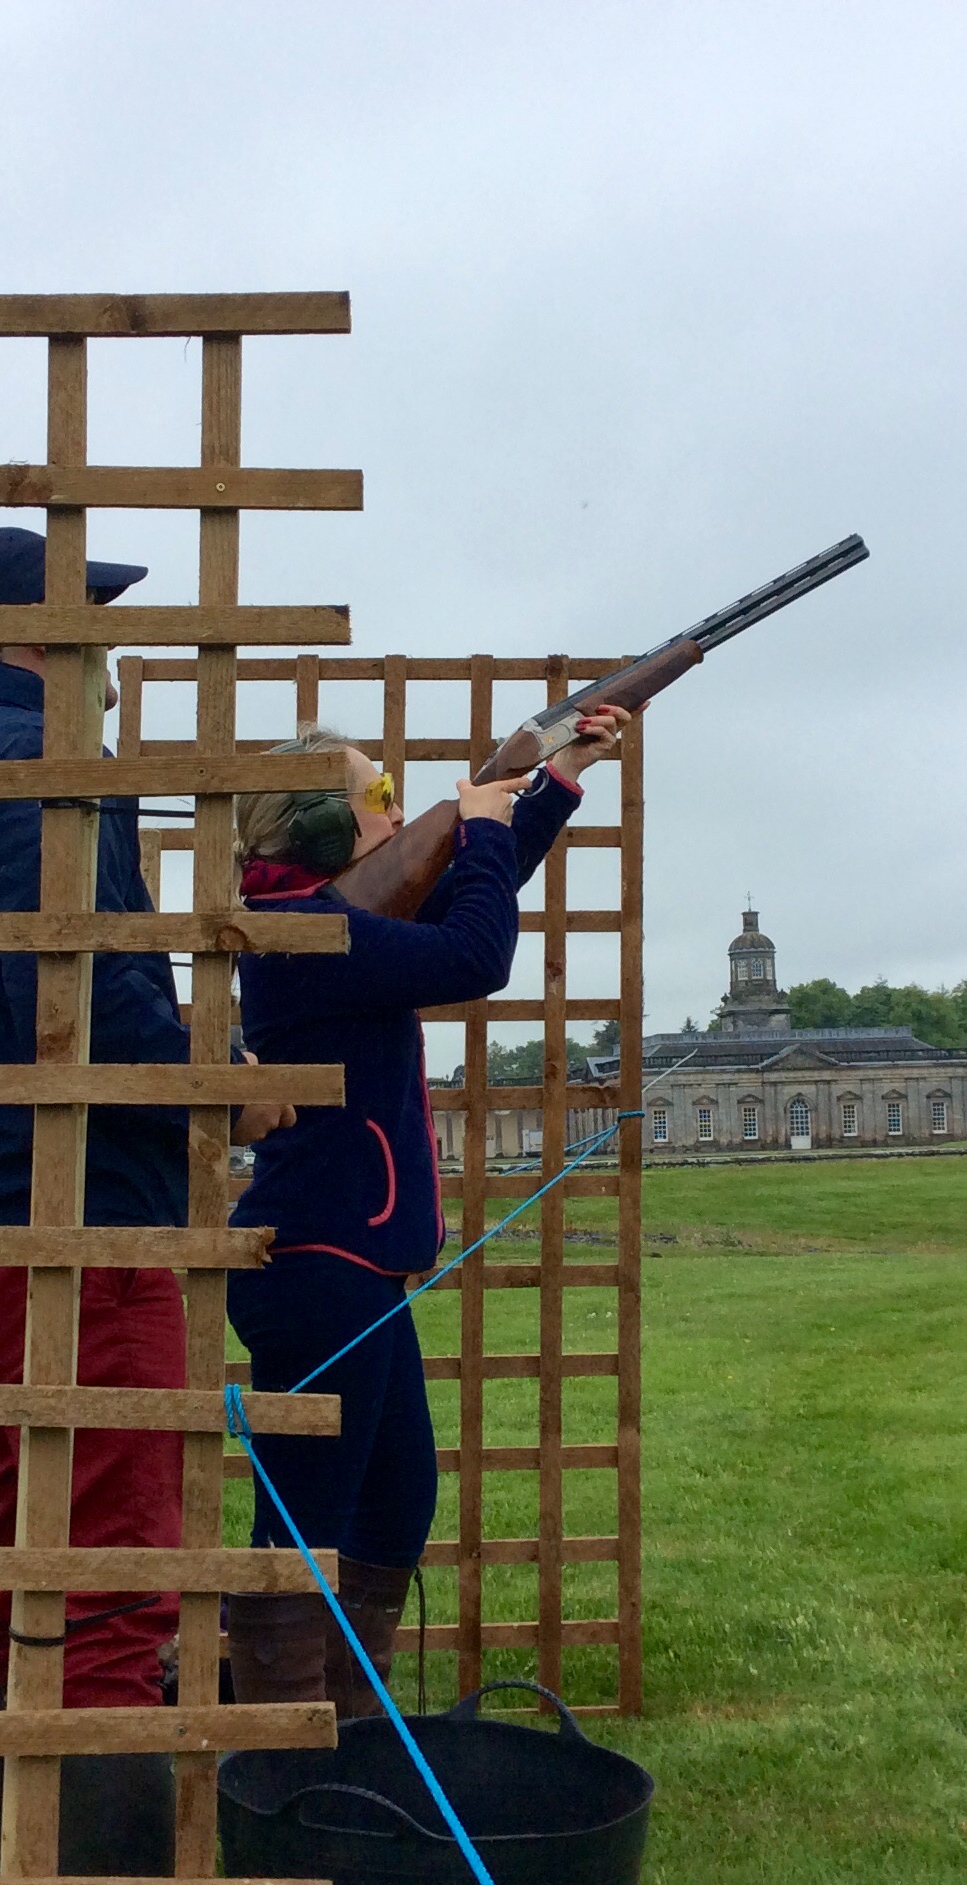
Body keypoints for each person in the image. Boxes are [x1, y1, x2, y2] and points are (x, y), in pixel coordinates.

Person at [0, 524, 286, 1885]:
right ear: (34, 636)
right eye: (87, 623)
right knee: (112, 1581)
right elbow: (91, 1002)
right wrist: (225, 1089)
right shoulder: (54, 771)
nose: (108, 651)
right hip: (78, 1225)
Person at [220, 707, 631, 1714]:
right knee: (304, 1530)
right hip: (319, 1268)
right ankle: (280, 1751)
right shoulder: (303, 932)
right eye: (378, 796)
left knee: (396, 1500)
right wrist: (480, 820)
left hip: (350, 1266)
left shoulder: (324, 920)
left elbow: (454, 900)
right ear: (321, 827)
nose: (398, 812)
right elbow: (472, 954)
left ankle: (347, 1729)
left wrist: (554, 782)